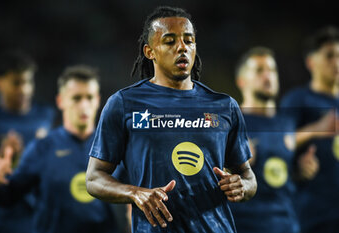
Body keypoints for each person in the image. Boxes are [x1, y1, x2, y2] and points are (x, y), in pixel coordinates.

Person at [85, 6, 257, 233]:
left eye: (189, 40)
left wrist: (241, 185)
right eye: (169, 41)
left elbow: (249, 178)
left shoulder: (224, 106)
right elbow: (94, 178)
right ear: (150, 51)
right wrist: (135, 193)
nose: (182, 47)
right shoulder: (124, 104)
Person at [0, 65, 120, 233]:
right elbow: (8, 198)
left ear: (98, 100)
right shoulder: (41, 148)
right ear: (61, 101)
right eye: (76, 98)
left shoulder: (115, 147)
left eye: (89, 97)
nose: (84, 105)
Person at [229, 47, 319, 233]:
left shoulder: (286, 123)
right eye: (259, 70)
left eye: (272, 70)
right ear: (242, 81)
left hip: (285, 224)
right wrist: (232, 164)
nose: (268, 76)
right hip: (243, 226)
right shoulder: (229, 122)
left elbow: (283, 175)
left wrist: (302, 172)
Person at [280, 26, 339, 233]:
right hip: (312, 214)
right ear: (311, 62)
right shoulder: (298, 99)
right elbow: (278, 142)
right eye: (329, 55)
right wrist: (316, 129)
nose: (336, 62)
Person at [0, 50, 55, 233]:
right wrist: (0, 155)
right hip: (4, 219)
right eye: (16, 83)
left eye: (28, 82)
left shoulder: (45, 115)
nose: (24, 89)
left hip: (40, 217)